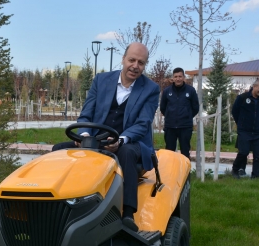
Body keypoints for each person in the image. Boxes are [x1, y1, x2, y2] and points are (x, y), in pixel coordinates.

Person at [52, 42, 160, 231]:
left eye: (141, 63)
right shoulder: (101, 80)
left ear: (145, 65)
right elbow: (86, 115)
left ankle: (128, 213)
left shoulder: (150, 89)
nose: (135, 66)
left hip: (131, 142)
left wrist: (120, 140)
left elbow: (142, 124)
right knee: (58, 151)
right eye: (132, 60)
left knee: (126, 153)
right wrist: (84, 136)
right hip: (97, 140)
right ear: (123, 59)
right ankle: (58, 207)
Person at [231, 78, 259, 179]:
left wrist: (258, 122)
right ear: (254, 86)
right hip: (244, 131)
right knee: (243, 152)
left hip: (258, 131)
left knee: (258, 155)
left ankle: (255, 176)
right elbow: (234, 111)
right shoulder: (242, 98)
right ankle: (235, 170)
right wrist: (241, 123)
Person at [159, 67, 200, 159]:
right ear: (173, 78)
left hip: (185, 127)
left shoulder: (191, 91)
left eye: (180, 76)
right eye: (176, 76)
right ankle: (170, 169)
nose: (178, 79)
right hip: (170, 127)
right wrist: (170, 116)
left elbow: (195, 108)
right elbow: (163, 108)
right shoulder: (167, 91)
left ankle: (185, 169)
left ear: (183, 77)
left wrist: (187, 116)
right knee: (169, 153)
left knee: (185, 153)